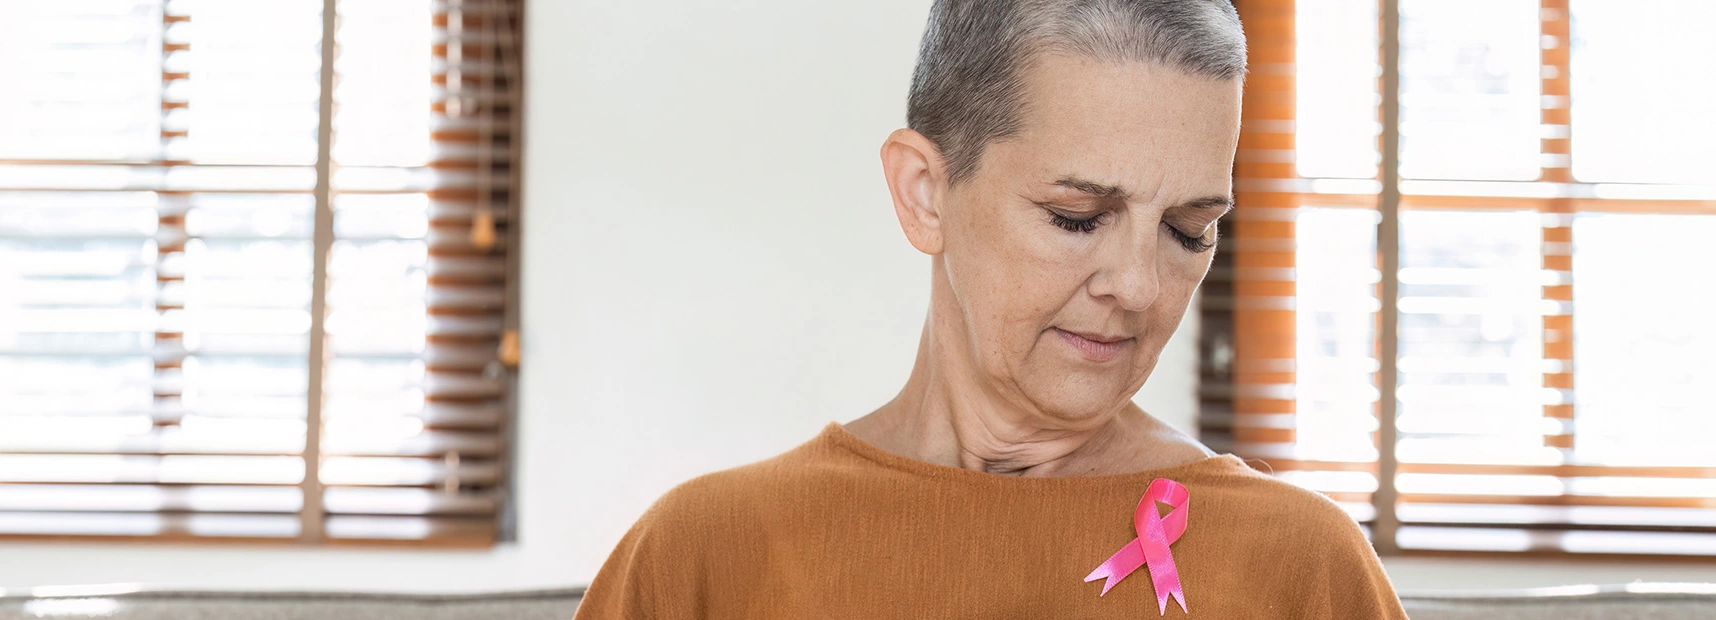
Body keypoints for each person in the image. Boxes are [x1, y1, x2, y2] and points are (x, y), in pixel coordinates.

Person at [575, 0, 1408, 617]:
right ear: (925, 194)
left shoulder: (1305, 568)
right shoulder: (701, 557)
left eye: (1188, 231)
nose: (1141, 286)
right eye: (1077, 218)